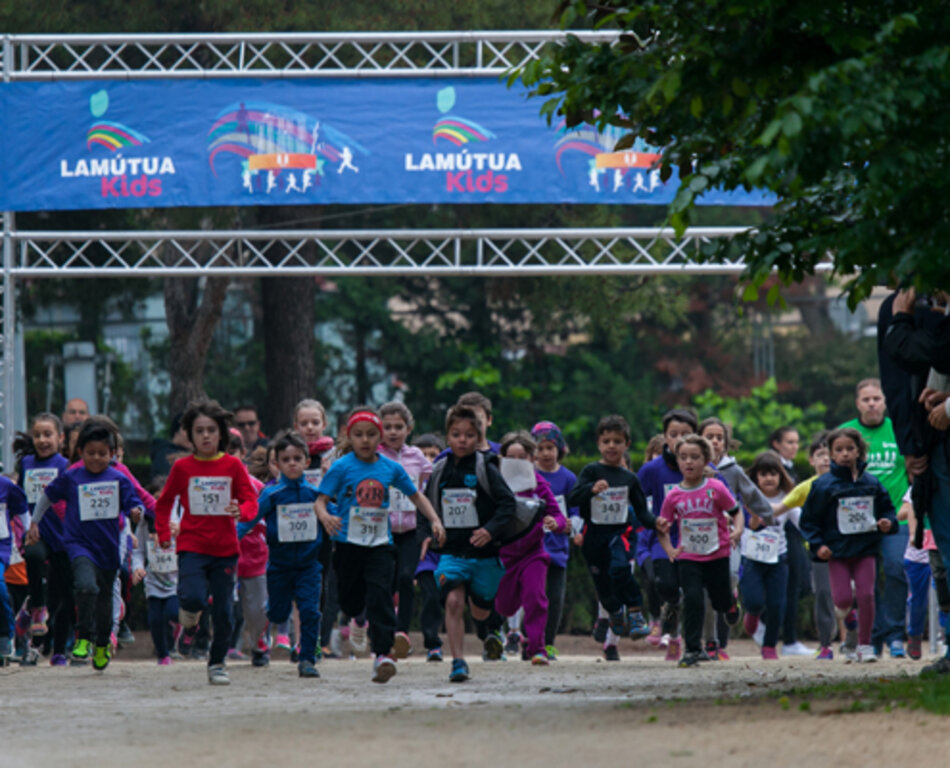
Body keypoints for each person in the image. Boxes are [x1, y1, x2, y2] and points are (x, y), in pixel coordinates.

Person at [316, 408, 445, 684]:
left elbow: (417, 497)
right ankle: (358, 618)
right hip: (348, 544)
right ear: (350, 437)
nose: (365, 440)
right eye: (359, 435)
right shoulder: (341, 467)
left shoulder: (391, 468)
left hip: (380, 544)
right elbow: (320, 501)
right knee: (351, 602)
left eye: (371, 434)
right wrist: (326, 517)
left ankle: (383, 655)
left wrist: (435, 520)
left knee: (381, 594)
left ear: (380, 437)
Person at [154, 400, 260, 686]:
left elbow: (251, 500)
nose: (205, 436)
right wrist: (163, 534)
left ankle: (217, 663)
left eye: (211, 430)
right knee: (193, 598)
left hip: (225, 549)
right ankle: (189, 621)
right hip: (192, 547)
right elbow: (164, 503)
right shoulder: (182, 467)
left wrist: (242, 511)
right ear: (190, 435)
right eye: (199, 431)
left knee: (224, 612)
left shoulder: (233, 465)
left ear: (221, 433)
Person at [25, 421, 143, 671]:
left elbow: (134, 502)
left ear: (112, 454)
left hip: (108, 547)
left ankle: (101, 643)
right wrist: (34, 522)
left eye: (102, 453)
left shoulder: (119, 479)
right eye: (91, 453)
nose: (96, 458)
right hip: (79, 545)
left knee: (104, 600)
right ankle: (83, 637)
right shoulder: (71, 477)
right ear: (80, 452)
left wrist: (136, 512)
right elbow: (47, 496)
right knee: (86, 586)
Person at [422, 404, 514, 682]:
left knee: (480, 610)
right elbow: (426, 506)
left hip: (484, 554)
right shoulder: (440, 469)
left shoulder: (486, 467)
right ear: (447, 436)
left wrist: (489, 530)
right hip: (452, 551)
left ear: (478, 436)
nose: (462, 440)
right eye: (456, 434)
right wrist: (427, 533)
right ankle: (458, 662)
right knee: (453, 601)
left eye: (469, 435)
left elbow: (508, 505)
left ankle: (485, 623)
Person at [568, 415, 669, 659]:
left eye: (617, 441)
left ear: (627, 444)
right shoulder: (591, 471)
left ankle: (635, 612)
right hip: (594, 537)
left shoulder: (629, 479)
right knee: (603, 586)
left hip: (619, 534)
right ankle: (615, 613)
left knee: (620, 569)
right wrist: (591, 489)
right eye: (606, 441)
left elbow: (641, 511)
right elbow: (573, 498)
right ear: (598, 444)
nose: (611, 446)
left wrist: (655, 521)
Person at [800, 427, 898, 663]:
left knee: (866, 595)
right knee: (842, 600)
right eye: (839, 450)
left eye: (850, 449)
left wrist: (888, 523)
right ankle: (849, 616)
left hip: (866, 548)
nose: (845, 454)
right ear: (831, 454)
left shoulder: (872, 482)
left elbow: (887, 510)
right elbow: (809, 520)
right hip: (837, 551)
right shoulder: (822, 485)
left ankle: (865, 646)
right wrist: (818, 545)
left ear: (858, 451)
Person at [239, 430, 324, 678]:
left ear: (307, 462)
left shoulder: (315, 495)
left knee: (310, 611)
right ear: (276, 464)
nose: (292, 464)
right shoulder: (271, 494)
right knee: (278, 613)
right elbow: (249, 520)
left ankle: (307, 659)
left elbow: (334, 516)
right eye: (286, 460)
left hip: (309, 565)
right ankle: (272, 610)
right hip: (279, 566)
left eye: (297, 458)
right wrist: (230, 539)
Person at [838, 378, 910, 658]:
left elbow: (913, 468)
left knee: (896, 569)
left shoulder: (899, 428)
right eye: (866, 399)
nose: (872, 404)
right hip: (858, 520)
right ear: (857, 403)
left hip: (896, 516)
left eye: (876, 399)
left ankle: (896, 634)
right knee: (866, 582)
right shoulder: (847, 433)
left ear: (885, 401)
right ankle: (875, 635)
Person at [656, 434, 742, 667]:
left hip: (717, 553)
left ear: (705, 460)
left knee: (720, 603)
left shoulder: (716, 488)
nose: (688, 462)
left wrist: (737, 531)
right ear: (677, 460)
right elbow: (663, 527)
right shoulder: (673, 495)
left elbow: (736, 512)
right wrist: (669, 549)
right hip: (689, 556)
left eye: (694, 457)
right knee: (693, 599)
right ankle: (693, 650)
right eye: (683, 457)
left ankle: (731, 600)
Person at [700, 417, 774, 661]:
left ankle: (731, 594)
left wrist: (767, 515)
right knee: (706, 594)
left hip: (729, 535)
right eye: (709, 437)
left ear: (726, 443)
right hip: (700, 539)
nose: (714, 441)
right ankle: (711, 641)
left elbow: (752, 494)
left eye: (719, 438)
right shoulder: (690, 468)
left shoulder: (733, 470)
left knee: (731, 575)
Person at [494, 431, 565, 665]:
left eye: (522, 457)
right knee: (504, 606)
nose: (517, 463)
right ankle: (502, 634)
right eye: (511, 458)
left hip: (533, 553)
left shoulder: (539, 484)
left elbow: (558, 515)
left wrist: (555, 523)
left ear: (532, 459)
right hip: (503, 556)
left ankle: (537, 648)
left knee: (535, 598)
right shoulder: (495, 485)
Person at [636, 409, 698, 661]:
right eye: (673, 434)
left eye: (686, 434)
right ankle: (672, 614)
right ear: (665, 437)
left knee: (694, 595)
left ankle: (687, 644)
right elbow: (635, 502)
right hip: (663, 541)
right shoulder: (652, 470)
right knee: (667, 587)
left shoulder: (706, 468)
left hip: (696, 541)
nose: (679, 439)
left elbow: (724, 498)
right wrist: (651, 520)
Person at [772, 433, 840, 659]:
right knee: (823, 594)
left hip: (848, 549)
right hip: (820, 550)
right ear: (811, 460)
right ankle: (826, 645)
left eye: (830, 454)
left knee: (846, 598)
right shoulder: (805, 488)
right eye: (820, 454)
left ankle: (854, 634)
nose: (826, 459)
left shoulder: (851, 482)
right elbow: (779, 508)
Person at [376, 401, 433, 660]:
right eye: (387, 427)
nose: (393, 432)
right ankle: (384, 630)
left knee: (407, 578)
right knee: (385, 583)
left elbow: (431, 480)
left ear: (408, 429)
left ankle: (402, 633)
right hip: (382, 530)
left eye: (398, 427)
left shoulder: (416, 456)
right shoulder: (375, 457)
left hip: (410, 530)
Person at [14, 413, 72, 665]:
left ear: (60, 438)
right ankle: (36, 607)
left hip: (62, 536)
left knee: (63, 595)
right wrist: (25, 526)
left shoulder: (65, 465)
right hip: (36, 532)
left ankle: (58, 650)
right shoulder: (27, 464)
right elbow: (19, 497)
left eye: (48, 434)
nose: (42, 440)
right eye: (37, 435)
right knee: (34, 557)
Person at [531, 420, 577, 660]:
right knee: (533, 597)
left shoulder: (568, 478)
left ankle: (548, 643)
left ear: (559, 448)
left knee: (555, 599)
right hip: (531, 548)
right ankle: (530, 640)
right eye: (540, 448)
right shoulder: (528, 476)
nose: (545, 453)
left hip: (558, 550)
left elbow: (576, 510)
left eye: (550, 447)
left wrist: (572, 526)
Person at [740, 452, 792, 659]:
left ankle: (769, 645)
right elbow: (746, 523)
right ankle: (752, 613)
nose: (769, 478)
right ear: (756, 477)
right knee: (754, 600)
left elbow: (801, 519)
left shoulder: (787, 498)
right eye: (763, 474)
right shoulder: (748, 497)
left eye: (773, 474)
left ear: (780, 475)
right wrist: (753, 520)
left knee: (777, 604)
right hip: (752, 557)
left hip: (778, 558)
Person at [131, 511, 180, 665]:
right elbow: (138, 551)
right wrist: (138, 568)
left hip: (176, 579)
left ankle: (189, 625)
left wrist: (180, 530)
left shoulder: (178, 516)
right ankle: (163, 655)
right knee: (155, 619)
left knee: (172, 612)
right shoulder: (144, 523)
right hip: (153, 579)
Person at [0, 476, 29, 660]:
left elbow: (21, 507)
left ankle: (5, 635)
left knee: (0, 589)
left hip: (0, 547)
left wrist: (30, 530)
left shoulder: (5, 485)